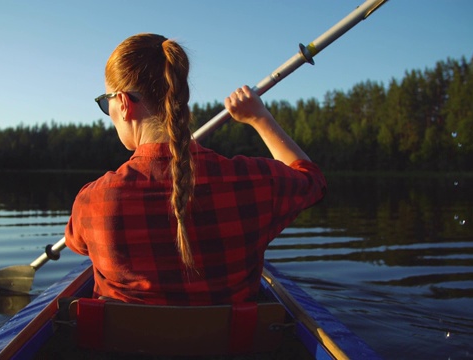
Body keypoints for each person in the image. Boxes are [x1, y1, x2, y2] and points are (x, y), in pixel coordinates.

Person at [65, 33, 326, 305]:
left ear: (123, 103)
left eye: (105, 104)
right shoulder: (251, 182)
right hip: (232, 345)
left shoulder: (92, 201)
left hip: (122, 346)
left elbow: (75, 242)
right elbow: (312, 181)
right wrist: (260, 118)